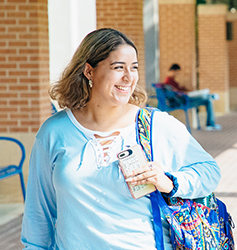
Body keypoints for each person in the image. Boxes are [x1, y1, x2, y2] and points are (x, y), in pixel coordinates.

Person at [21, 28, 221, 249]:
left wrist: (169, 182)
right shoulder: (54, 132)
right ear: (89, 71)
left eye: (133, 67)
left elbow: (209, 171)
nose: (129, 77)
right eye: (118, 68)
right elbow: (38, 215)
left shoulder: (156, 125)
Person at [163, 63, 221, 131]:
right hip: (183, 100)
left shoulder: (171, 81)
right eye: (177, 73)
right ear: (173, 71)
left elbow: (178, 90)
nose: (177, 75)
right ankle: (210, 96)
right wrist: (185, 93)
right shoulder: (168, 81)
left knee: (208, 101)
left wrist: (186, 90)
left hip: (184, 98)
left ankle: (210, 124)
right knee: (204, 97)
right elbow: (175, 93)